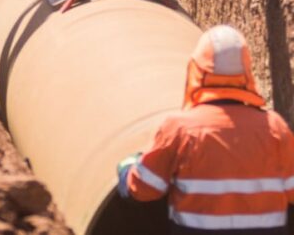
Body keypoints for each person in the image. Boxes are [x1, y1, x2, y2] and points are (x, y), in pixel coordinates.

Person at [118, 25, 294, 234]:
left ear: (196, 71)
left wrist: (127, 169)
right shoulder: (275, 129)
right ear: (246, 73)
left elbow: (143, 189)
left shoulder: (179, 129)